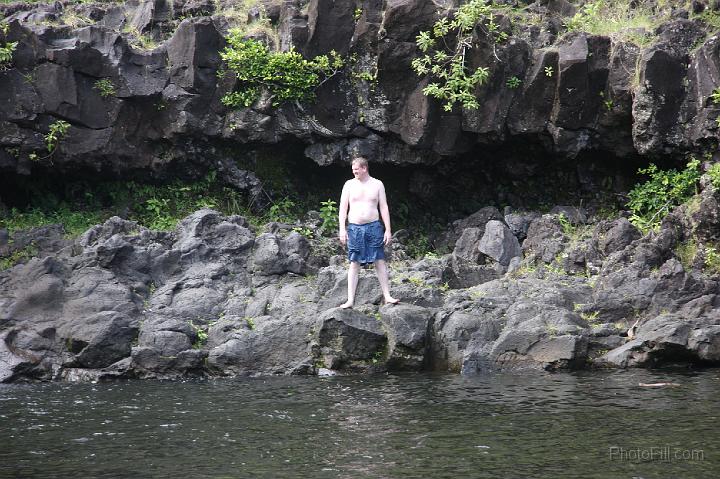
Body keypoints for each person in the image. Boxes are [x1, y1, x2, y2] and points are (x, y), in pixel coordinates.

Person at [338, 157, 399, 308]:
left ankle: (387, 296)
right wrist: (342, 229)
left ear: (364, 168)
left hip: (374, 227)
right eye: (353, 170)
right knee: (354, 262)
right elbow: (343, 209)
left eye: (356, 170)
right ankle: (350, 300)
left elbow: (383, 207)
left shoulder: (377, 184)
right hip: (355, 228)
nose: (354, 172)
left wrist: (388, 230)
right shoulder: (349, 185)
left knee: (379, 260)